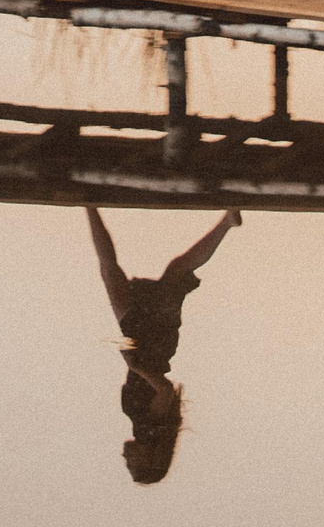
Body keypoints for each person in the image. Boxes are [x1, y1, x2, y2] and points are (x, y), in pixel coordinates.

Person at [85, 207, 242, 485]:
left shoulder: (150, 428)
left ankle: (227, 222)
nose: (126, 459)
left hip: (151, 345)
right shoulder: (150, 429)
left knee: (170, 271)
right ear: (148, 458)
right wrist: (135, 366)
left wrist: (130, 359)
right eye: (133, 465)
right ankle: (89, 204)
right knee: (119, 272)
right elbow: (164, 389)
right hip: (150, 345)